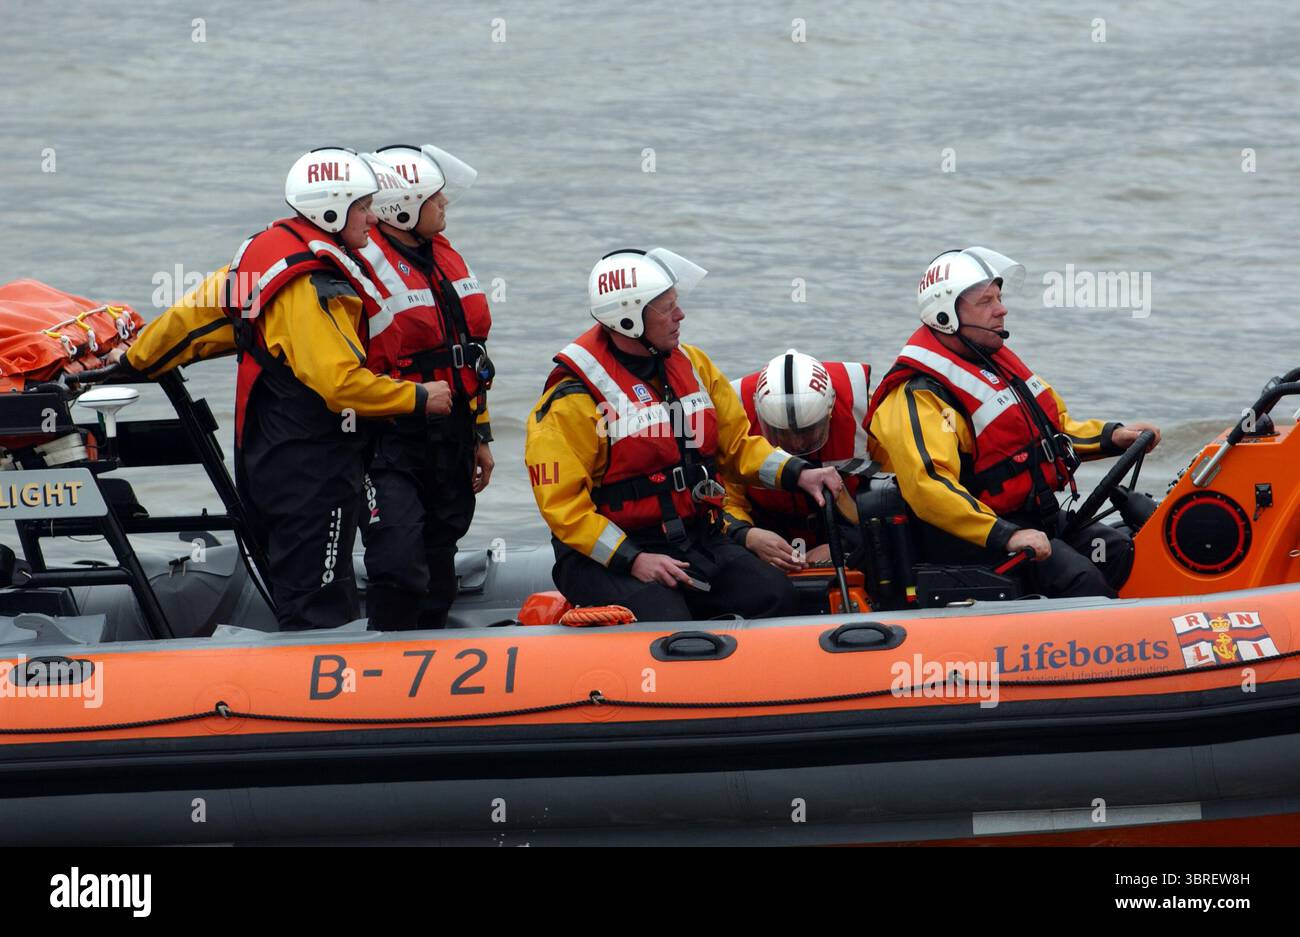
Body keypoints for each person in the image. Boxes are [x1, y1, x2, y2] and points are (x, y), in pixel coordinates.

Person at [115, 147, 451, 630]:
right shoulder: (312, 285)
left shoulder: (264, 254)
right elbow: (339, 383)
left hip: (269, 458)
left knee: (302, 583)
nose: (372, 217)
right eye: (362, 207)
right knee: (320, 601)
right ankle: (321, 688)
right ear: (331, 211)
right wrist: (420, 397)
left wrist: (133, 360)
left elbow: (193, 322)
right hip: (314, 470)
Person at [524, 248, 844, 622]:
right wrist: (634, 559)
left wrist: (799, 473)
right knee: (666, 620)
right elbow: (564, 510)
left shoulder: (693, 365)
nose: (680, 315)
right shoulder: (571, 401)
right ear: (629, 319)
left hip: (695, 539)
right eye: (667, 307)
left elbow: (737, 447)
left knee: (774, 595)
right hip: (607, 556)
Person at [867, 246, 1161, 598]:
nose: (1002, 308)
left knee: (1119, 550)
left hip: (1034, 518)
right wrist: (1006, 534)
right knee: (1081, 581)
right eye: (986, 301)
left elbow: (1054, 434)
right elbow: (929, 486)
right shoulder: (918, 394)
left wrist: (1114, 437)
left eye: (1000, 297)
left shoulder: (992, 363)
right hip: (974, 537)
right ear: (945, 315)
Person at [354, 144, 494, 630]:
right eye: (436, 197)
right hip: (391, 437)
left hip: (451, 433)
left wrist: (480, 435)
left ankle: (430, 664)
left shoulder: (443, 254)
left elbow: (470, 357)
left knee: (440, 559)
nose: (445, 205)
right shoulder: (360, 261)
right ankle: (383, 662)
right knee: (397, 561)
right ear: (403, 206)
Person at [724, 349, 875, 571]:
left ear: (830, 408)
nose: (796, 444)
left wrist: (844, 543)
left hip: (850, 528)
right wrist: (749, 536)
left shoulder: (865, 411)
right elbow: (726, 500)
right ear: (759, 413)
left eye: (807, 431)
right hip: (767, 534)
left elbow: (895, 489)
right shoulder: (736, 420)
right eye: (782, 433)